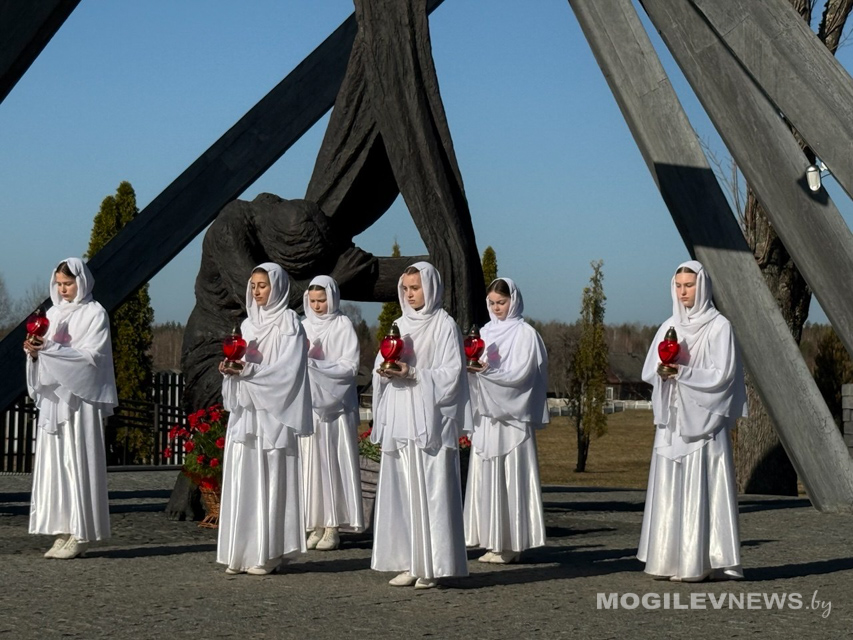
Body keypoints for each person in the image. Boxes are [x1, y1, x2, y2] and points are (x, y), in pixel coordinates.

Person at [638, 260, 747, 582]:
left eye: (689, 285)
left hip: (703, 423)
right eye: (679, 286)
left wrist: (682, 372)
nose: (683, 291)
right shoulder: (668, 325)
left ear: (703, 286)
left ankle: (700, 561)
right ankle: (667, 559)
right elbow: (649, 369)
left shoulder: (719, 326)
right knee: (670, 487)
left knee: (703, 487)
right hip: (673, 420)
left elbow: (723, 374)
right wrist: (663, 371)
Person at [370, 262, 470, 589]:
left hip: (431, 423)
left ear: (431, 287)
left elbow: (452, 374)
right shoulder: (398, 324)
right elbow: (379, 365)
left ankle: (433, 564)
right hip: (402, 417)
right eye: (406, 289)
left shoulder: (444, 325)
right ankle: (410, 560)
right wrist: (385, 372)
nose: (410, 294)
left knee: (432, 490)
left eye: (416, 288)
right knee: (404, 491)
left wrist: (413, 374)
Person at [217, 263, 313, 575]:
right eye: (254, 286)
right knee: (244, 476)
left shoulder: (289, 323)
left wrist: (250, 372)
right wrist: (232, 372)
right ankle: (243, 549)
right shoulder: (247, 326)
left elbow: (289, 371)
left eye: (263, 285)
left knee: (271, 477)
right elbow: (243, 362)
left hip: (273, 414)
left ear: (278, 287)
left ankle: (269, 551)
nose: (257, 292)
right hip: (248, 414)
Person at [24, 258, 117, 559]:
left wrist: (50, 350)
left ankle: (81, 531)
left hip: (79, 401)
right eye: (60, 284)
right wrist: (35, 353)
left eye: (69, 283)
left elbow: (93, 358)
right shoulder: (53, 313)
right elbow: (47, 353)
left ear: (82, 281)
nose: (64, 290)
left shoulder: (94, 313)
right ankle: (63, 528)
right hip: (55, 399)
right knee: (56, 464)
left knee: (78, 460)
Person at [463, 278, 549, 564]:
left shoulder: (526, 335)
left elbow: (522, 376)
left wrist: (488, 372)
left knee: (511, 478)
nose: (497, 308)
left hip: (512, 419)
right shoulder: (484, 333)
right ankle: (492, 540)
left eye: (502, 302)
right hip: (487, 417)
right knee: (488, 478)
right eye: (493, 303)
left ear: (514, 300)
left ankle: (513, 542)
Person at [300, 275, 364, 550]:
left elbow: (349, 366)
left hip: (336, 407)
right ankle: (314, 522)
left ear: (332, 298)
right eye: (312, 301)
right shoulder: (302, 326)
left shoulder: (342, 325)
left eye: (322, 300)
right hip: (310, 407)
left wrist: (316, 367)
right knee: (310, 464)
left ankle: (333, 524)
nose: (317, 306)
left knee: (332, 463)